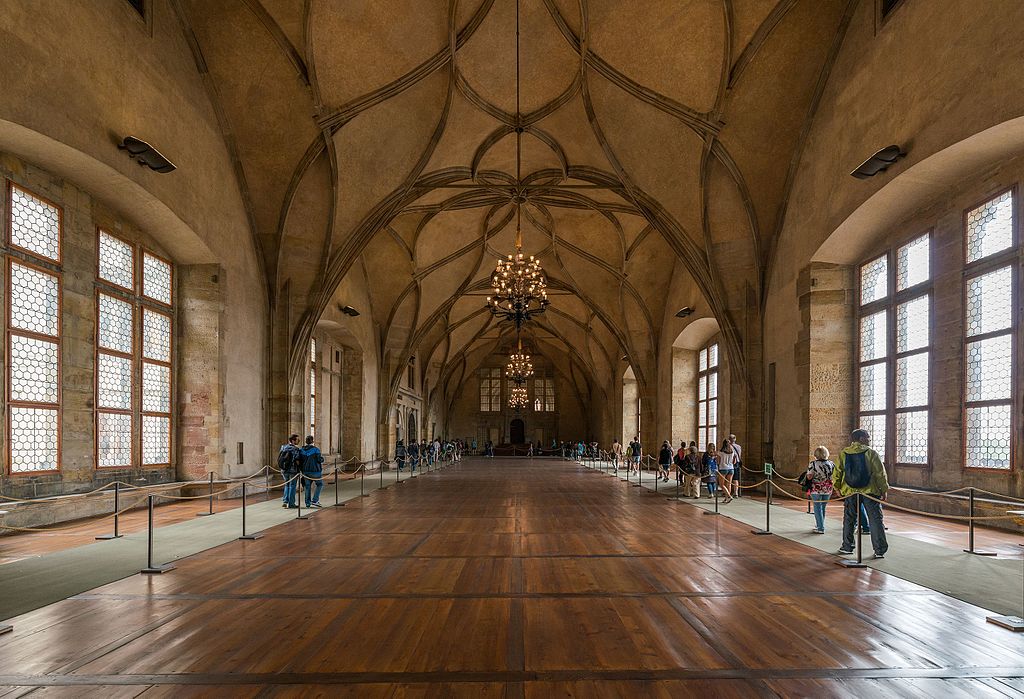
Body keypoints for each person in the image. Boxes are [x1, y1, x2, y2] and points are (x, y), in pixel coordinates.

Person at [834, 429, 889, 559]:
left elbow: (837, 472)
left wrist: (837, 487)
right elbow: (880, 474)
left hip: (850, 491)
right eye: (868, 437)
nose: (869, 439)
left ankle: (847, 546)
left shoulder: (843, 453)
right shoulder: (871, 453)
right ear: (861, 438)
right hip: (870, 491)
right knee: (875, 520)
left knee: (849, 519)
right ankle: (879, 550)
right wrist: (884, 489)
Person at [805, 446, 835, 534]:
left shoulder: (813, 464)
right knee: (823, 507)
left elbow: (809, 476)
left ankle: (820, 527)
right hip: (828, 488)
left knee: (817, 507)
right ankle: (820, 524)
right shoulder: (831, 464)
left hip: (816, 488)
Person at [300, 435, 324, 508]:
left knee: (307, 487)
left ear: (306, 441)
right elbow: (319, 460)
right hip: (315, 471)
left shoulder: (301, 450)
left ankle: (307, 503)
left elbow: (300, 461)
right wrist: (322, 459)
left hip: (305, 471)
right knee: (319, 484)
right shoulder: (316, 450)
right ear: (312, 441)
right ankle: (315, 500)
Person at [278, 433, 301, 508]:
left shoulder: (283, 447)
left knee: (287, 485)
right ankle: (291, 503)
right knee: (292, 486)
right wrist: (300, 468)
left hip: (284, 469)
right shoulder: (295, 449)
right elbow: (297, 460)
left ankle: (285, 501)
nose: (299, 440)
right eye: (297, 439)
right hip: (293, 470)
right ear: (293, 441)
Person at [718, 439, 736, 503]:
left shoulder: (721, 452)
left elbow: (718, 460)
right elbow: (734, 461)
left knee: (721, 484)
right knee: (729, 484)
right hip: (731, 468)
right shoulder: (732, 452)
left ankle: (729, 496)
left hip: (723, 468)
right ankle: (726, 498)